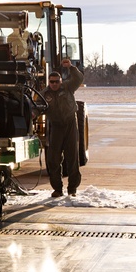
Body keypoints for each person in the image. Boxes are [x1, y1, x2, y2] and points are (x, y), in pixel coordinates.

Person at [45, 57, 84, 197]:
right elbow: (37, 107)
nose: (54, 84)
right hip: (56, 127)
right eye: (52, 82)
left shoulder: (68, 87)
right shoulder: (45, 94)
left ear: (61, 81)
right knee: (53, 159)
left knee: (72, 157)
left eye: (57, 82)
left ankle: (72, 188)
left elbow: (79, 78)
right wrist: (32, 113)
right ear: (49, 82)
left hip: (70, 124)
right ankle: (57, 188)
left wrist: (71, 67)